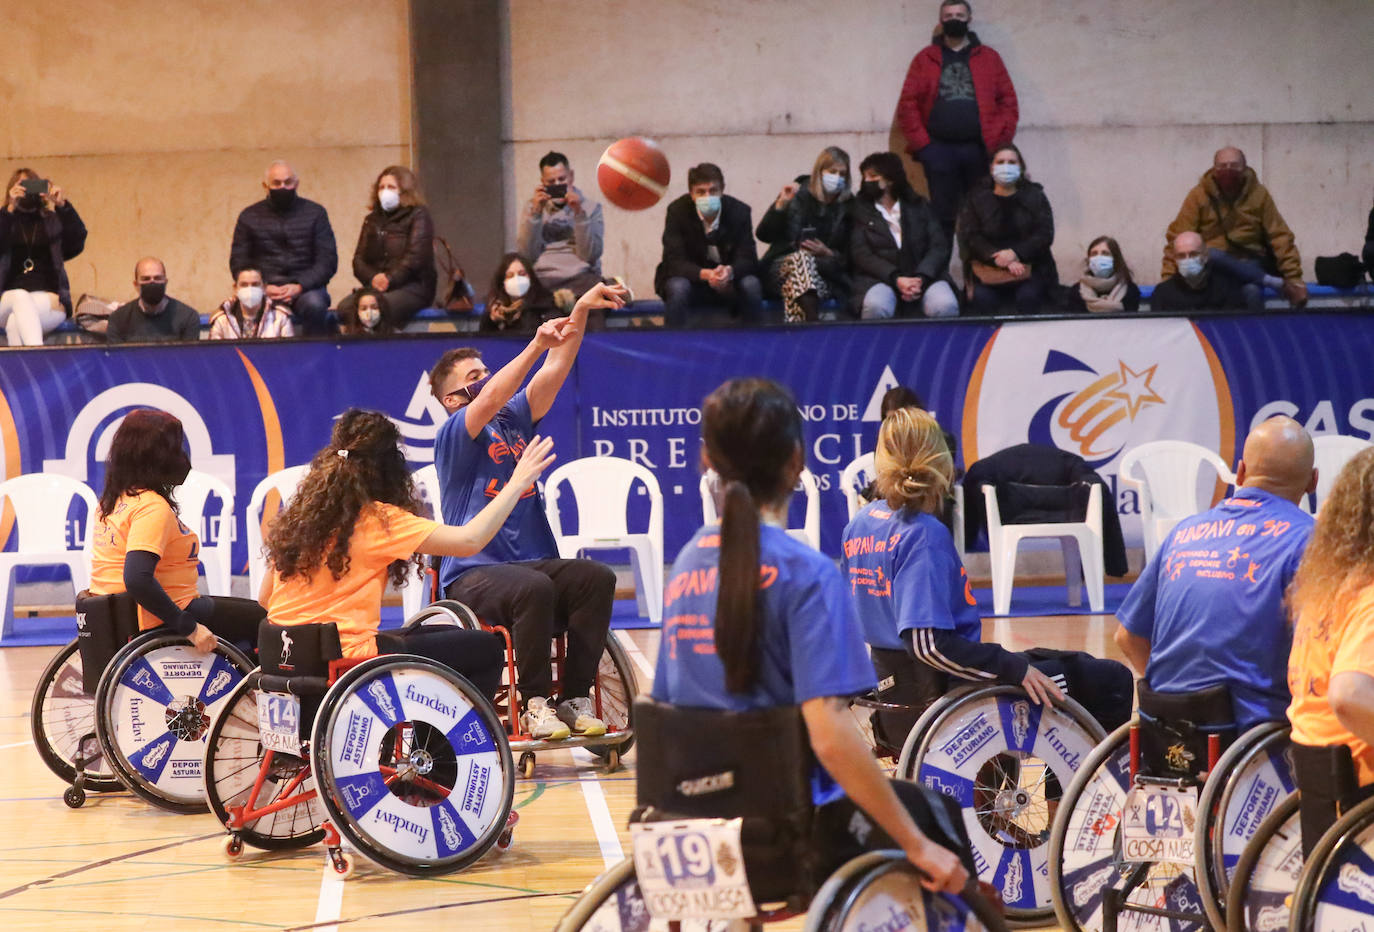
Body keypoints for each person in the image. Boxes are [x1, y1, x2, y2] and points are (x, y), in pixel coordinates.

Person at [656, 377, 971, 892]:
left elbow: (667, 705)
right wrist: (919, 846)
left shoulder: (686, 563)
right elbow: (830, 738)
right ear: (796, 463)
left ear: (706, 461)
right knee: (935, 817)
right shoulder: (808, 574)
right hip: (785, 825)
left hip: (689, 810)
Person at [842, 408, 1133, 747]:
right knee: (1109, 680)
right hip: (945, 697)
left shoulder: (859, 524)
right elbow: (928, 644)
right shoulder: (921, 535)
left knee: (1062, 664)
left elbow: (850, 618)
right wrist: (1011, 667)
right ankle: (1089, 796)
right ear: (941, 461)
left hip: (898, 695)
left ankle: (1052, 798)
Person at [429, 282, 628, 740]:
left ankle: (574, 698)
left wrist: (579, 310)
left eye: (486, 370)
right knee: (533, 587)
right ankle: (533, 702)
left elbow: (558, 364)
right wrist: (535, 342)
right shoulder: (456, 434)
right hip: (475, 575)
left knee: (597, 578)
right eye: (473, 375)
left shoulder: (514, 419)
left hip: (530, 566)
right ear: (452, 399)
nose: (485, 377)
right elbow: (492, 396)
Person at [259, 409, 554, 696]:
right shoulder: (377, 520)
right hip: (345, 658)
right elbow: (470, 541)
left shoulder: (298, 520)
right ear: (389, 468)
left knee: (436, 639)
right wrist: (516, 484)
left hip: (284, 658)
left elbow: (264, 599)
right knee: (485, 648)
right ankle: (442, 746)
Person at [1114, 416, 1317, 731]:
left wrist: (1178, 704)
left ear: (1240, 472)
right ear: (1313, 481)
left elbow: (1127, 636)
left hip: (1163, 723)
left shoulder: (1184, 532)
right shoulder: (1311, 541)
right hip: (1251, 732)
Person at [89, 409, 264, 654]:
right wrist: (190, 628)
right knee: (267, 619)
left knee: (242, 639)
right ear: (154, 457)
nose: (182, 458)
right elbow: (137, 579)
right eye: (174, 449)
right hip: (165, 613)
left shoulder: (112, 502)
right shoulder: (150, 507)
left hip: (130, 613)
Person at [1287, 449, 1374, 842]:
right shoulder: (1369, 598)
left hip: (1319, 769)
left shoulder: (1325, 589)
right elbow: (1349, 694)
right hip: (1360, 781)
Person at [897, 0, 1019, 239]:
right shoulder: (925, 58)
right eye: (949, 15)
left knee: (984, 214)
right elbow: (907, 104)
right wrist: (925, 147)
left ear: (969, 19)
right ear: (941, 21)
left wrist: (998, 143)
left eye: (960, 15)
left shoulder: (990, 58)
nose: (954, 19)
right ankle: (941, 274)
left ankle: (980, 275)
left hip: (980, 150)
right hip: (938, 151)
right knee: (942, 218)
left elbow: (1008, 102)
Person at [1163, 147, 1307, 308]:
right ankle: (1271, 281)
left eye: (1234, 166)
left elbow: (1279, 237)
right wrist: (1168, 281)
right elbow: (1178, 238)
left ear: (1244, 168)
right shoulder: (1198, 196)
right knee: (1213, 254)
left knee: (1252, 292)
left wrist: (1294, 278)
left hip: (1250, 262)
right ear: (1214, 169)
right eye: (1222, 166)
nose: (1228, 171)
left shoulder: (1258, 195)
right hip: (1212, 266)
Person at [229, 160, 338, 335]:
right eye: (276, 183)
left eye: (288, 182)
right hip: (263, 288)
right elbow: (239, 262)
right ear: (266, 186)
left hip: (306, 289)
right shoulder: (248, 216)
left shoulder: (316, 213)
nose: (283, 187)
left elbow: (328, 261)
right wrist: (262, 287)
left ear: (297, 184)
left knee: (315, 305)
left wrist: (300, 286)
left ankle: (313, 359)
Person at [849, 151, 960, 319]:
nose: (867, 182)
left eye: (873, 176)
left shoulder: (919, 205)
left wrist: (921, 277)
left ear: (890, 179)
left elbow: (938, 246)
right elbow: (861, 254)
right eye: (865, 177)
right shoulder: (859, 210)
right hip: (879, 279)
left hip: (925, 278)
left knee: (945, 305)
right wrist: (895, 278)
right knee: (876, 306)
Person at [654, 163, 763, 328]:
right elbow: (673, 261)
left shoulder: (739, 212)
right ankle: (675, 344)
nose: (708, 197)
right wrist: (707, 275)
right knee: (677, 287)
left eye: (713, 191)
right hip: (694, 279)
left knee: (751, 284)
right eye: (701, 192)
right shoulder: (677, 211)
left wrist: (729, 272)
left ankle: (753, 343)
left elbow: (748, 258)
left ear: (722, 190)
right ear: (691, 193)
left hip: (729, 283)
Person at [755, 146, 853, 323]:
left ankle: (803, 333)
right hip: (781, 269)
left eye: (842, 174)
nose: (837, 178)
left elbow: (853, 253)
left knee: (796, 285)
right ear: (820, 171)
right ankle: (813, 326)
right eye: (832, 171)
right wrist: (780, 206)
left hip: (823, 276)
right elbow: (763, 235)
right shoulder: (797, 193)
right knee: (801, 259)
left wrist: (828, 253)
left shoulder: (848, 205)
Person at [958, 144, 1058, 316]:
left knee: (1029, 297)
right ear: (991, 168)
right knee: (982, 299)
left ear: (1021, 168)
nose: (1006, 166)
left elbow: (1044, 233)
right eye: (1001, 162)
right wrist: (999, 257)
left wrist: (1016, 253)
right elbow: (971, 236)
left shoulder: (1035, 196)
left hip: (1030, 268)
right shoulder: (975, 198)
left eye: (1012, 162)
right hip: (988, 269)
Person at [339, 165, 436, 330]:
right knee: (344, 309)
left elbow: (416, 256)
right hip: (376, 288)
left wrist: (390, 279)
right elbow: (358, 260)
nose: (385, 191)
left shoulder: (419, 215)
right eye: (381, 187)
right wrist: (373, 278)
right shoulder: (372, 219)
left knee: (381, 307)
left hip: (413, 286)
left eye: (391, 187)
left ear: (405, 190)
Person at [0, 167, 86, 346]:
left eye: (31, 185)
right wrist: (9, 208)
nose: (26, 190)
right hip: (6, 299)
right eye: (21, 186)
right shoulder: (5, 218)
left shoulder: (51, 220)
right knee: (20, 296)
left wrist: (62, 206)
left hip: (48, 300)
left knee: (15, 323)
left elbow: (76, 242)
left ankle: (23, 372)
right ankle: (39, 353)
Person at [516, 151, 605, 304]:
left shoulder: (591, 208)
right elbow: (526, 255)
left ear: (571, 176)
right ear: (542, 182)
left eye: (562, 179)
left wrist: (579, 213)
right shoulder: (533, 208)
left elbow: (590, 256)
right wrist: (536, 213)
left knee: (594, 299)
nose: (557, 185)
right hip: (543, 279)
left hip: (581, 278)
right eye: (551, 182)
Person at [1150, 231, 1257, 313]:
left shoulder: (1228, 288)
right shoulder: (1163, 293)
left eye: (1193, 254)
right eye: (1181, 256)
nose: (1188, 260)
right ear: (1175, 260)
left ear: (1205, 256)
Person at [107, 257, 202, 344]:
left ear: (165, 282)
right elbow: (117, 360)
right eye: (146, 279)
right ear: (136, 284)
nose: (152, 282)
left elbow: (188, 359)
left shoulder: (188, 317)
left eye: (158, 278)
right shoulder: (118, 319)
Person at [208, 267, 295, 340]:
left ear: (264, 287)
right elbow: (213, 356)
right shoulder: (222, 320)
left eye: (255, 284)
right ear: (235, 288)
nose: (250, 289)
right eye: (244, 285)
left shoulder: (280, 318)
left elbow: (289, 354)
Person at [478, 253, 554, 334]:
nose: (517, 279)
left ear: (531, 278)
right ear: (502, 283)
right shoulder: (495, 307)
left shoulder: (546, 305)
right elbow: (484, 340)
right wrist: (492, 320)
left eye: (522, 274)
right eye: (510, 276)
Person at [1066, 236, 1141, 313]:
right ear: (1089, 260)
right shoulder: (1076, 291)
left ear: (1115, 259)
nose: (1099, 257)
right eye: (1094, 254)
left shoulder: (1130, 290)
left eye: (1105, 253)